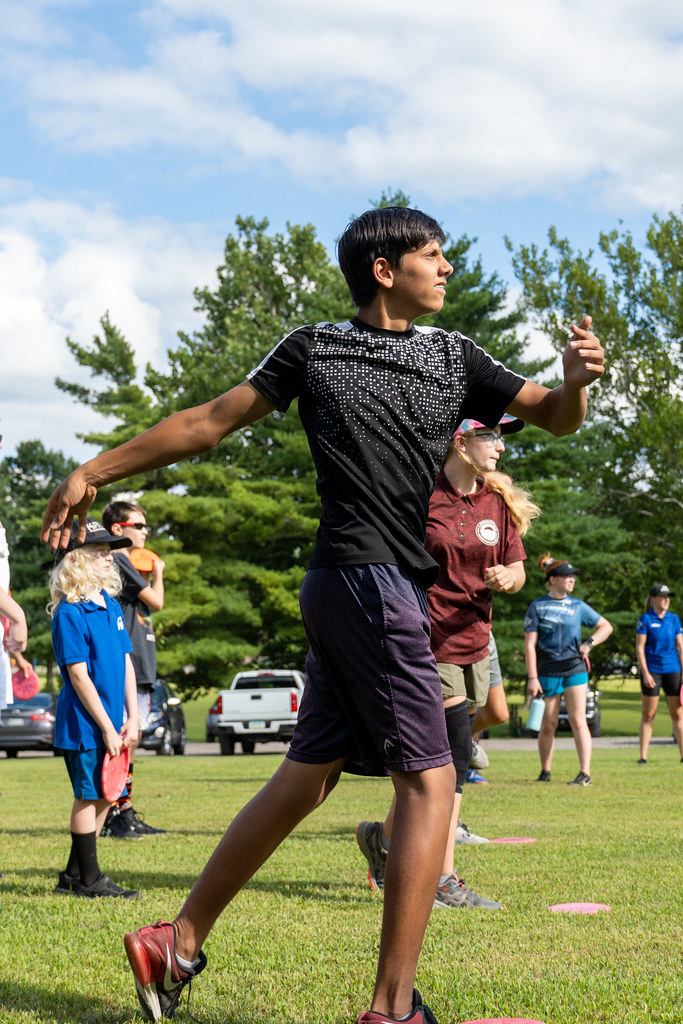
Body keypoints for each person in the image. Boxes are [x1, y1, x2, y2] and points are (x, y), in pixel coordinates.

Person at [41, 206, 604, 1024]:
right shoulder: (315, 347)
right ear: (384, 269)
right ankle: (391, 1009)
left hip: (364, 588)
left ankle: (176, 942)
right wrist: (93, 469)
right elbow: (207, 423)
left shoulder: (454, 354)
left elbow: (552, 413)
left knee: (307, 779)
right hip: (366, 580)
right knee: (431, 781)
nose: (445, 269)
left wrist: (577, 383)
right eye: (433, 256)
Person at [356, 418, 539, 903]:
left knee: (442, 758)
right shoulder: (423, 495)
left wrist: (510, 578)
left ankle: (382, 839)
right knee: (454, 756)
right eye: (491, 436)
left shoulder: (496, 503)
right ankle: (442, 878)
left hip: (475, 638)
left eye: (502, 437)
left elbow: (518, 568)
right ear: (460, 441)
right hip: (426, 637)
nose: (500, 446)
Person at [48, 519, 140, 898]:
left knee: (105, 791)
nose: (108, 558)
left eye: (108, 552)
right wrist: (105, 725)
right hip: (86, 725)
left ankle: (72, 874)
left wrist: (133, 716)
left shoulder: (111, 605)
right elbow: (79, 676)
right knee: (90, 794)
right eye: (99, 553)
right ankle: (89, 880)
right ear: (76, 561)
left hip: (113, 723)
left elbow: (126, 662)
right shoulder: (69, 612)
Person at [99, 499, 167, 838]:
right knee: (126, 739)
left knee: (131, 741)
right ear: (118, 529)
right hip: (132, 665)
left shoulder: (126, 565)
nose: (144, 532)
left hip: (142, 664)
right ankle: (115, 815)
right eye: (138, 526)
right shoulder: (122, 560)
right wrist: (158, 573)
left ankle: (124, 810)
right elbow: (157, 601)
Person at [525, 553, 613, 786]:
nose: (572, 580)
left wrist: (589, 643)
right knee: (548, 723)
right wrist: (532, 678)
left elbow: (605, 626)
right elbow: (529, 645)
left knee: (578, 720)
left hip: (575, 668)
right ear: (553, 579)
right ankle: (545, 772)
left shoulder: (578, 606)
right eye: (567, 576)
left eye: (573, 577)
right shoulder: (538, 606)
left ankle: (584, 773)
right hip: (547, 670)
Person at [635, 583, 683, 764]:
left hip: (673, 670)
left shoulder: (674, 619)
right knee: (649, 715)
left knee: (677, 714)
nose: (666, 600)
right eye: (663, 597)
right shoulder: (645, 620)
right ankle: (643, 757)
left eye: (668, 597)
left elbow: (680, 647)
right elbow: (640, 649)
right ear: (653, 599)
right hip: (653, 671)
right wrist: (645, 673)